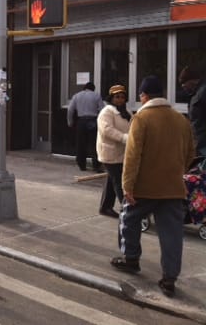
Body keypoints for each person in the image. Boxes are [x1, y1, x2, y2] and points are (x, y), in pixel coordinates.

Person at [110, 75, 194, 298]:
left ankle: (131, 259)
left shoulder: (142, 118)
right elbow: (190, 154)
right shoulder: (181, 120)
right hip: (173, 187)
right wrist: (177, 172)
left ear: (144, 96)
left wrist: (128, 186)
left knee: (128, 219)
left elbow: (132, 155)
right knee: (172, 234)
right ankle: (169, 279)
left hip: (144, 187)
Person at [96, 84, 131, 218]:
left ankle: (105, 207)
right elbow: (107, 130)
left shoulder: (126, 112)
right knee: (119, 181)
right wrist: (123, 138)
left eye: (122, 97)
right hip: (110, 153)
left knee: (112, 180)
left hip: (122, 152)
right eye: (117, 97)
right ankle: (127, 208)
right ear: (111, 98)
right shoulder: (107, 112)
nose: (120, 99)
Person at [67, 82, 105, 172]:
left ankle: (81, 165)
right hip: (93, 121)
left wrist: (70, 122)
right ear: (93, 88)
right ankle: (96, 165)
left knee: (81, 144)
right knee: (94, 144)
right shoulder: (96, 96)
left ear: (84, 88)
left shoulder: (77, 96)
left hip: (81, 121)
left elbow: (70, 109)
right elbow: (102, 109)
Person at [178, 66, 206, 157]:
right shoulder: (195, 93)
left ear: (193, 80)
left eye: (184, 82)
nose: (183, 86)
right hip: (199, 145)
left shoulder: (203, 93)